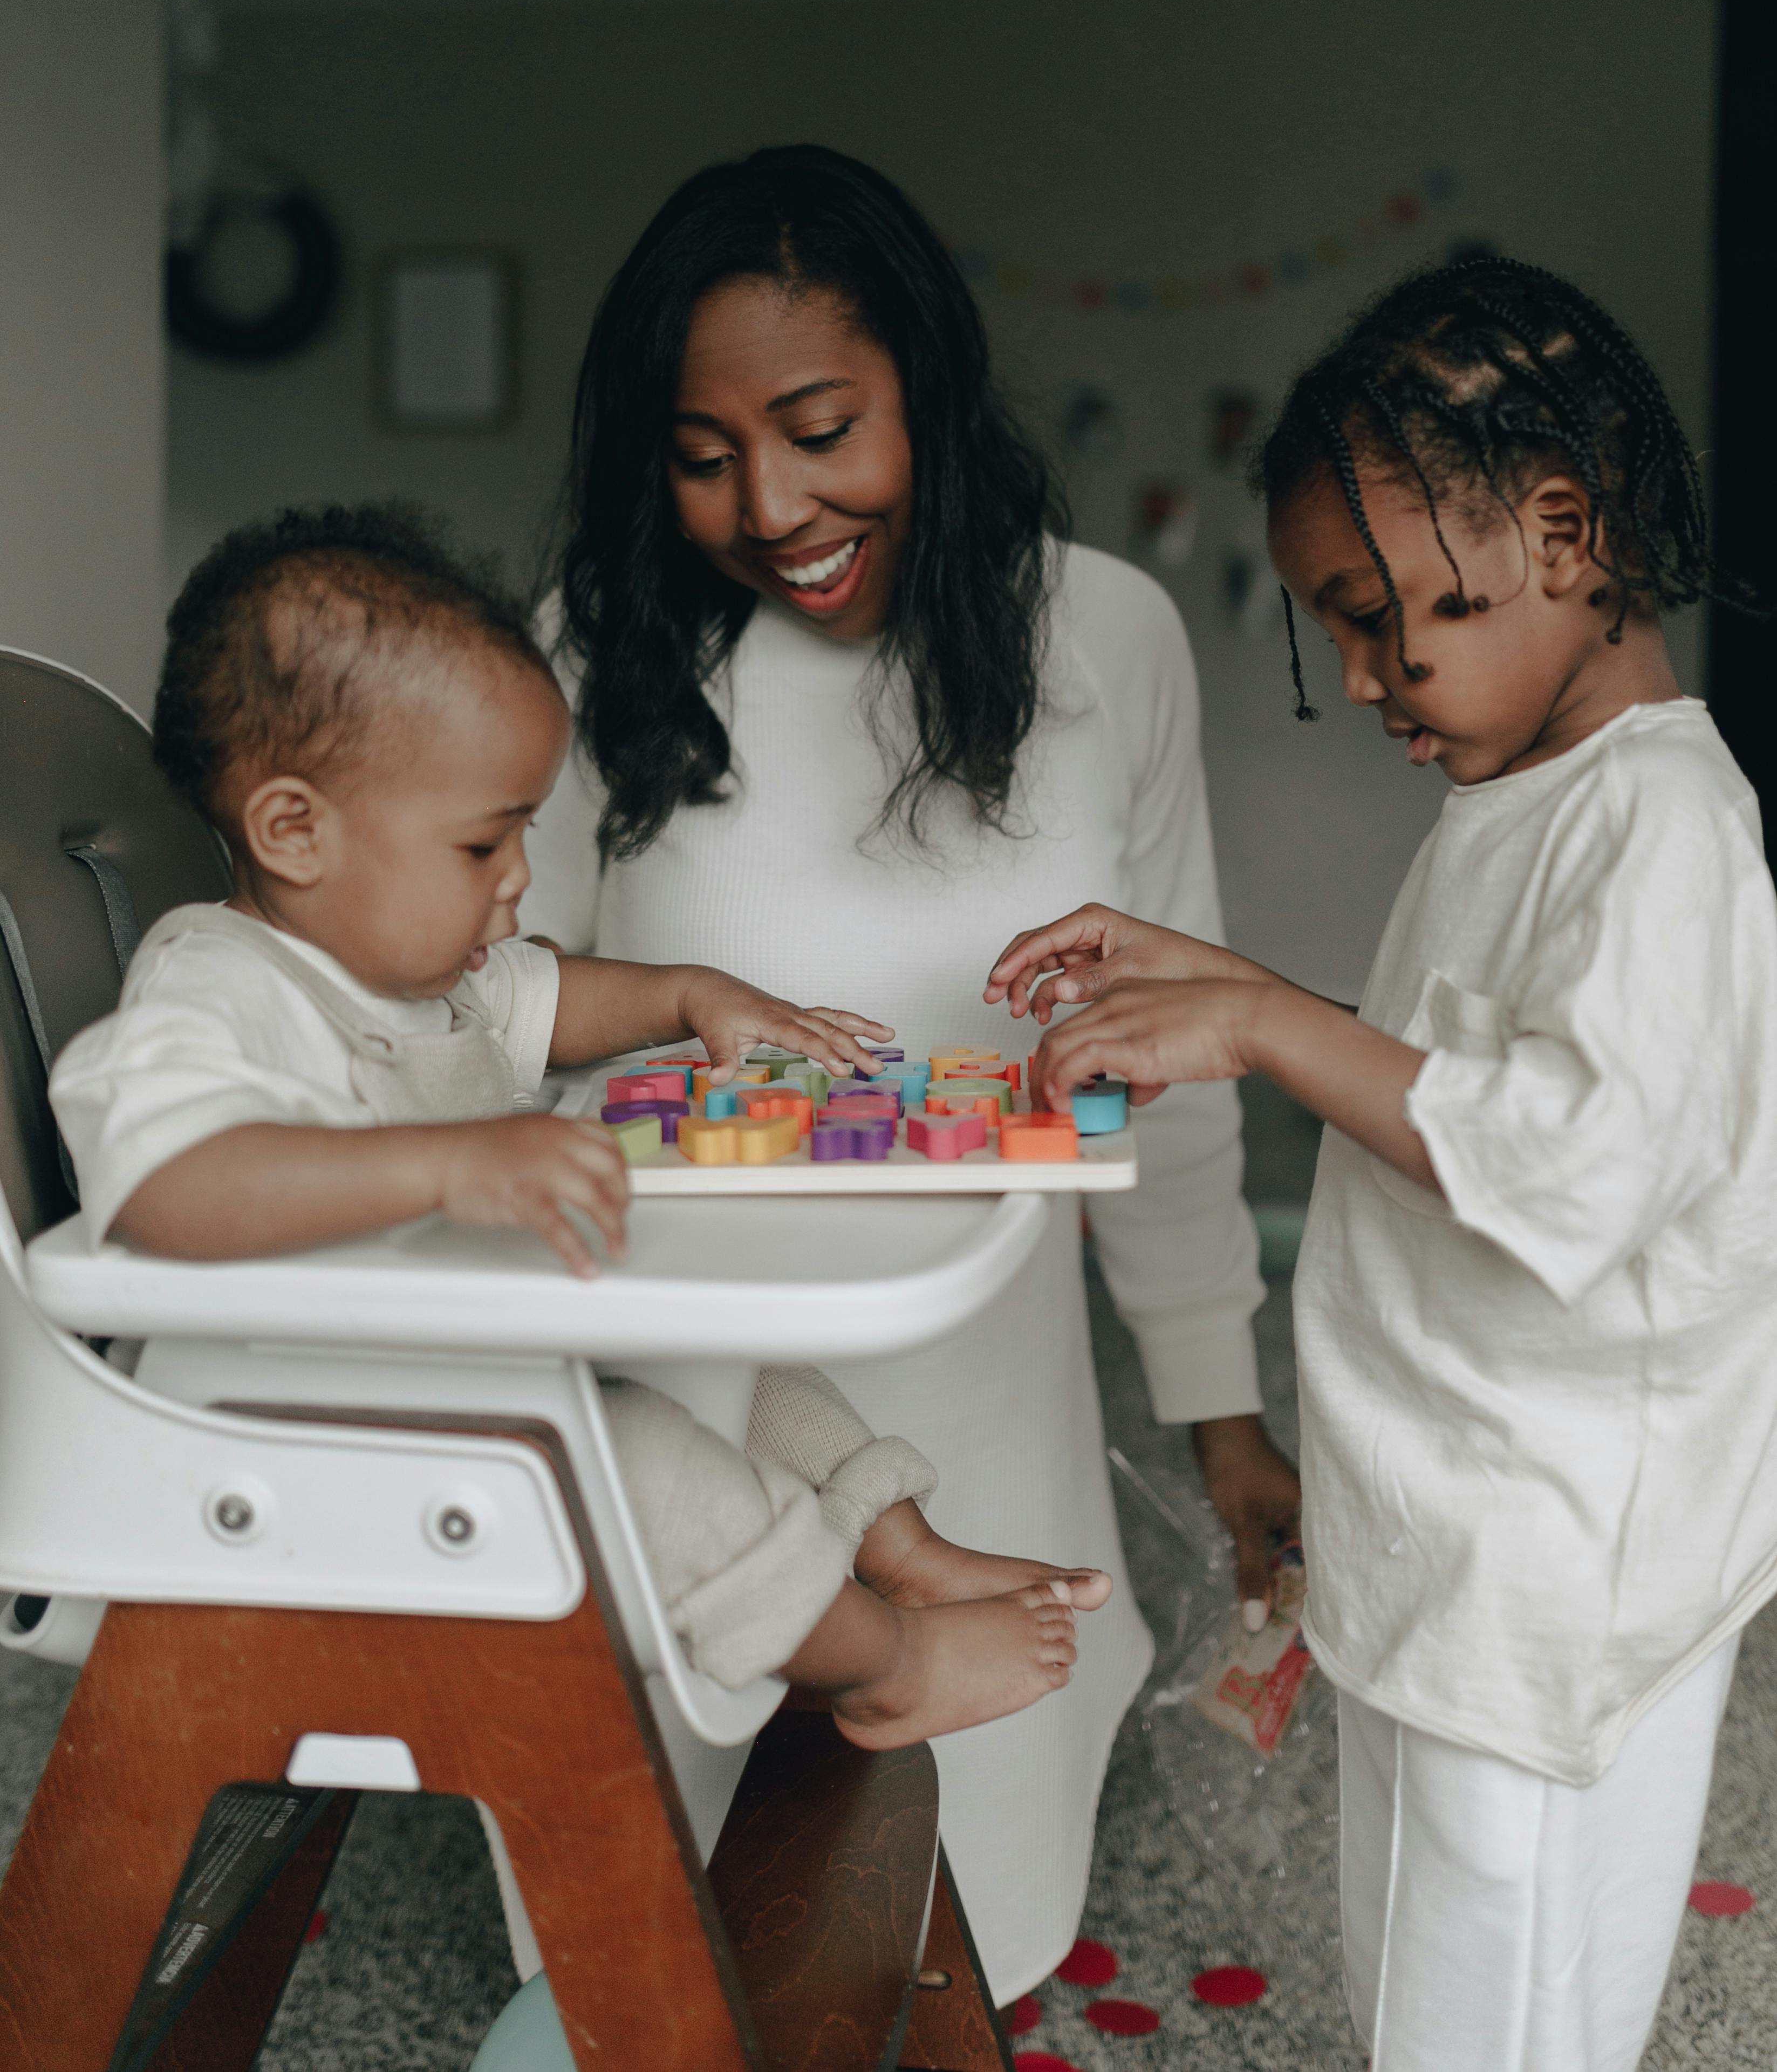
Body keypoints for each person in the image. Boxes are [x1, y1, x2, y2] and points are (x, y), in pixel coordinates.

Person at [522, 142, 1297, 1998]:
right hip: (681, 1403)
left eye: (819, 426)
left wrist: (1216, 1401)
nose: (771, 504)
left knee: (967, 1926)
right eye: (703, 456)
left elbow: (1166, 1062)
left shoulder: (1104, 638)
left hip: (987, 1406)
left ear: (927, 389)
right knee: (670, 1956)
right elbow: (503, 1017)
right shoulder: (592, 648)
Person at [987, 256, 1777, 2071]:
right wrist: (1231, 982)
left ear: (1563, 531)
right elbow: (1464, 1081)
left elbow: (1573, 1167)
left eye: (1371, 617)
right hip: (1480, 1517)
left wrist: (1261, 1032)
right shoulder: (1536, 800)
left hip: (1551, 1556)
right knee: (1462, 1961)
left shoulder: (1660, 824)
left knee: (1480, 1992)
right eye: (1328, 631)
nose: (1353, 678)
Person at [51, 504, 1114, 1742]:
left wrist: (690, 995)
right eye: (481, 840)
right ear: (295, 829)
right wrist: (450, 1158)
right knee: (654, 1466)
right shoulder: (216, 987)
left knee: (739, 1352)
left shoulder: (421, 981)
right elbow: (170, 1179)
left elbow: (555, 994)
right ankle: (880, 1662)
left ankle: (902, 1545)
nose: (515, 876)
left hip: (456, 1379)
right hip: (294, 1442)